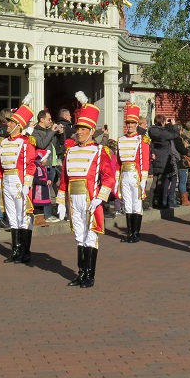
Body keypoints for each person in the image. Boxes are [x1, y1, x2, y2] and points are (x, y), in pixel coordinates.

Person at [55, 93, 115, 288]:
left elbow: (109, 176)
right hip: (73, 199)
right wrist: (61, 202)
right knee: (78, 235)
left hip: (91, 198)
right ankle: (80, 273)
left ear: (91, 131)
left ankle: (90, 274)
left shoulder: (100, 151)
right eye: (78, 128)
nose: (78, 132)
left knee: (90, 235)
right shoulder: (70, 151)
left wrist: (101, 197)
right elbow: (64, 178)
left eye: (83, 129)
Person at [0, 96, 36, 264]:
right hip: (7, 181)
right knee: (12, 216)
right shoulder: (3, 142)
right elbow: (0, 166)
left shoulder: (27, 142)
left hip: (20, 182)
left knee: (24, 217)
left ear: (19, 126)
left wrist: (27, 185)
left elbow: (31, 165)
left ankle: (25, 251)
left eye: (12, 122)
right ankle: (15, 249)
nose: (8, 124)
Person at [115, 100, 151, 243]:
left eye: (132, 123)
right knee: (127, 203)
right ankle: (129, 232)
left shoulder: (142, 140)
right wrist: (117, 178)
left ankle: (136, 232)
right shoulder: (121, 140)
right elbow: (118, 161)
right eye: (128, 123)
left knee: (137, 203)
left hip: (136, 175)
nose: (129, 126)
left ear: (136, 124)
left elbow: (145, 161)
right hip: (124, 175)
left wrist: (143, 179)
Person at [148, 114, 178, 209]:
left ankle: (150, 202)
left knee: (155, 180)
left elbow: (164, 132)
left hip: (156, 157)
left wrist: (167, 126)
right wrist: (174, 126)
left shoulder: (152, 131)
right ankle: (160, 203)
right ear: (162, 122)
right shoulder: (163, 133)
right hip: (164, 158)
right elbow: (175, 135)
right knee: (162, 181)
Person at [32, 150, 53, 223]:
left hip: (44, 189)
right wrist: (45, 182)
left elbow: (47, 176)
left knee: (42, 205)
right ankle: (37, 219)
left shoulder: (43, 167)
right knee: (37, 205)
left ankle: (41, 219)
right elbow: (35, 180)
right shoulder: (36, 168)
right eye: (45, 159)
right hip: (38, 189)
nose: (47, 160)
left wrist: (49, 180)